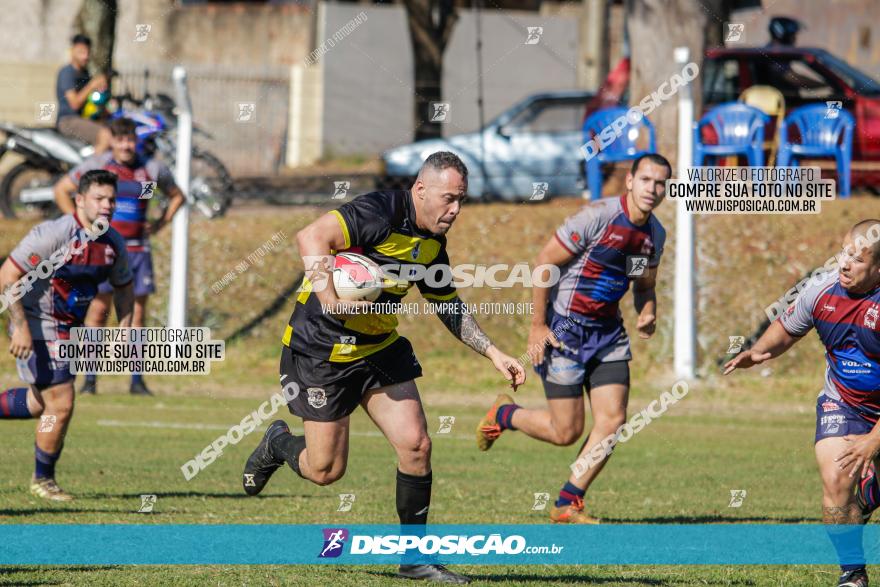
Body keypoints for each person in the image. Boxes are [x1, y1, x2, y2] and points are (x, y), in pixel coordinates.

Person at [241, 151, 525, 584]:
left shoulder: (432, 246)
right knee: (325, 471)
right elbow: (310, 237)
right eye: (449, 199)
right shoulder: (377, 212)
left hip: (379, 346)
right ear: (420, 190)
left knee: (417, 445)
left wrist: (493, 353)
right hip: (322, 350)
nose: (456, 210)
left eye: (462, 200)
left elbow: (448, 307)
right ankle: (278, 443)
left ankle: (414, 558)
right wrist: (329, 295)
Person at [475, 153, 670, 524]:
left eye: (660, 183)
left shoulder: (653, 236)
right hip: (564, 331)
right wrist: (537, 326)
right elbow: (544, 263)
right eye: (646, 180)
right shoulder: (597, 217)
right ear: (630, 181)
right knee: (566, 431)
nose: (653, 189)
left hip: (609, 336)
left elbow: (643, 285)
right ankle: (504, 415)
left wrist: (648, 310)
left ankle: (568, 502)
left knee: (612, 421)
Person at [724, 220, 880, 587]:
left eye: (857, 259)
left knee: (865, 484)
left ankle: (871, 491)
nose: (844, 263)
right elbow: (788, 327)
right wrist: (759, 352)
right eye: (844, 252)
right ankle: (852, 573)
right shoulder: (821, 289)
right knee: (836, 480)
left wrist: (875, 439)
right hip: (844, 403)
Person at [0, 170, 133, 501]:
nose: (107, 206)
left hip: (67, 330)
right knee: (61, 402)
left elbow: (124, 288)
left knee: (39, 403)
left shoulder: (112, 242)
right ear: (80, 200)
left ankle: (42, 475)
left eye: (112, 200)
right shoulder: (54, 234)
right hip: (37, 322)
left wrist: (125, 330)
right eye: (99, 199)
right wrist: (19, 326)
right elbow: (7, 275)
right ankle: (42, 479)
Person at [53, 117, 185, 396]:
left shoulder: (150, 168)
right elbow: (62, 189)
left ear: (136, 141)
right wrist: (79, 225)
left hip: (136, 250)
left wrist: (160, 223)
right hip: (103, 252)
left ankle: (136, 381)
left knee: (136, 315)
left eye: (130, 140)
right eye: (121, 139)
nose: (126, 146)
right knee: (98, 312)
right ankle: (90, 380)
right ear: (111, 140)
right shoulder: (98, 167)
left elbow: (177, 196)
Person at [55, 34, 112, 153]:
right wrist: (92, 85)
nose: (85, 56)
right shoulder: (67, 72)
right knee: (105, 135)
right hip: (68, 121)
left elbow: (93, 100)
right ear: (72, 51)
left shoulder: (85, 73)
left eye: (87, 52)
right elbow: (74, 103)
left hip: (84, 119)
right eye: (81, 52)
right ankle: (93, 170)